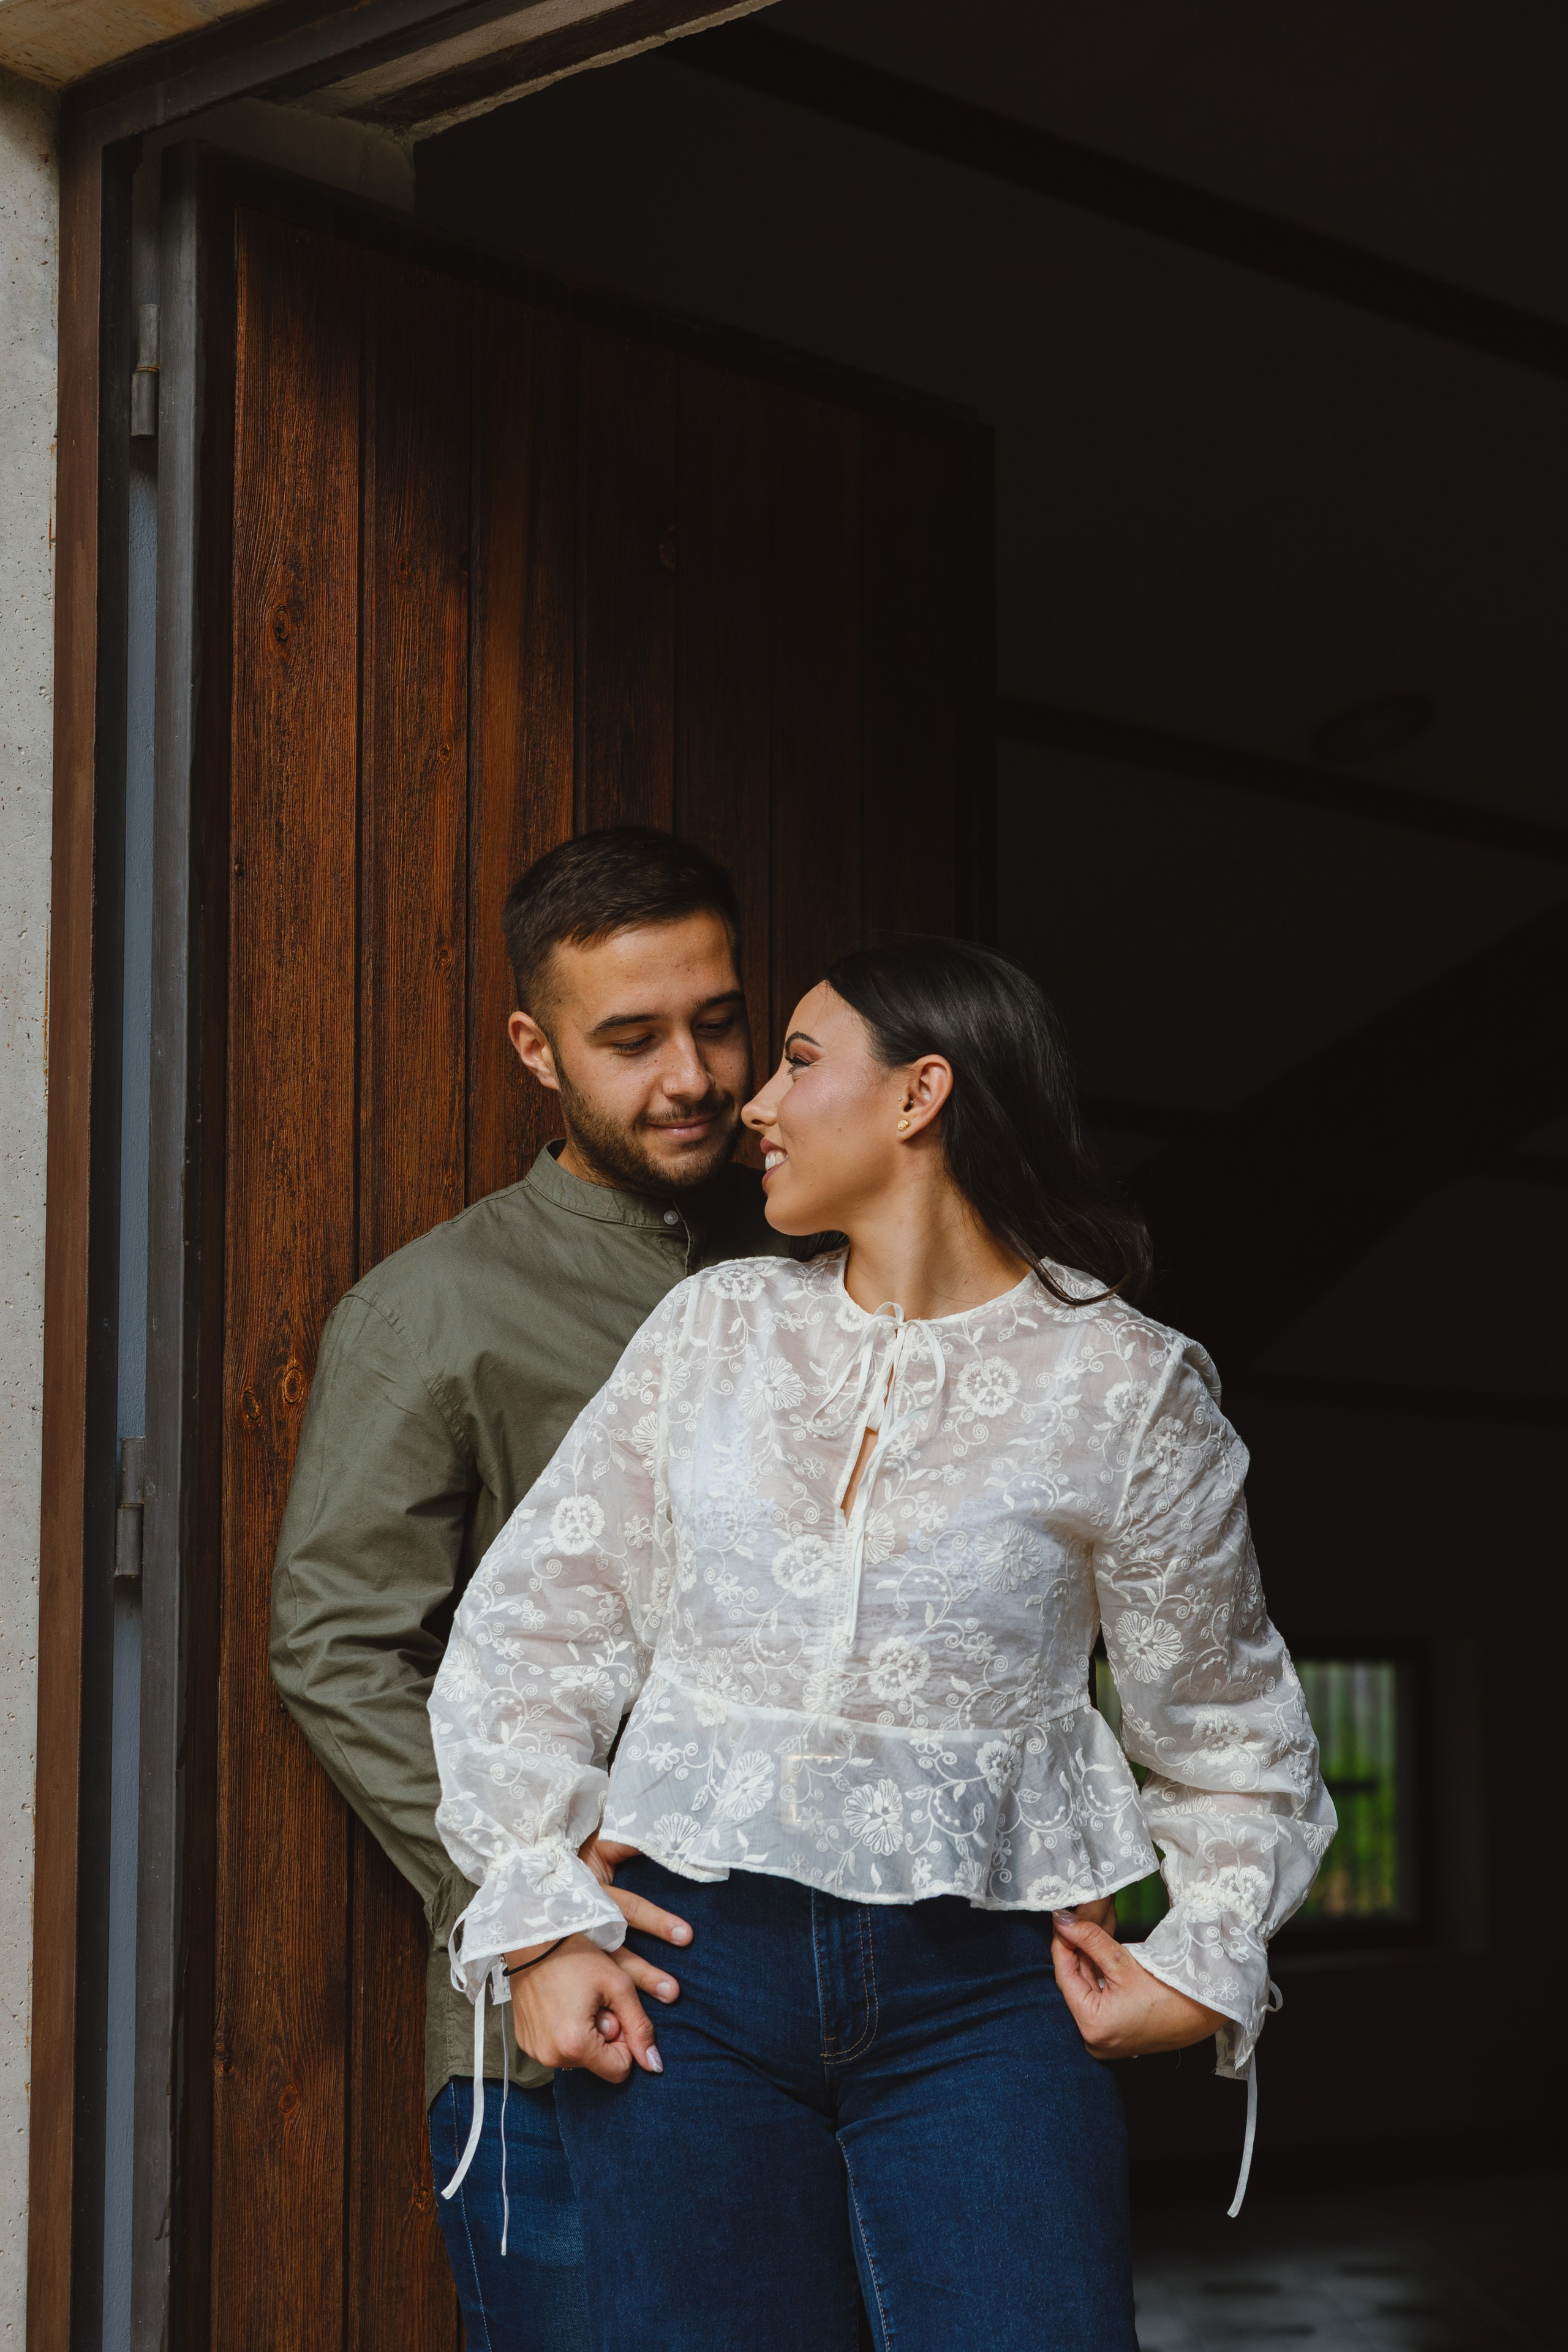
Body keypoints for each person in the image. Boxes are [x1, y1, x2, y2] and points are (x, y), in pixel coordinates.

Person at [429, 935, 1336, 2352]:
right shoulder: (713, 1331)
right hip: (689, 1984)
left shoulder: (1125, 1385)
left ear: (920, 1095)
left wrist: (1203, 1953)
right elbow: (534, 1630)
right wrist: (542, 1917)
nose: (756, 1107)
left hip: (982, 2008)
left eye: (795, 1061)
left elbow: (1228, 1731)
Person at [271, 827, 813, 2351]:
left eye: (718, 1022)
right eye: (630, 1039)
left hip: (846, 2029)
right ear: (534, 1046)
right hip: (560, 2051)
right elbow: (336, 1649)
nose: (694, 1075)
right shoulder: (434, 1312)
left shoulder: (832, 1271)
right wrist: (529, 1909)